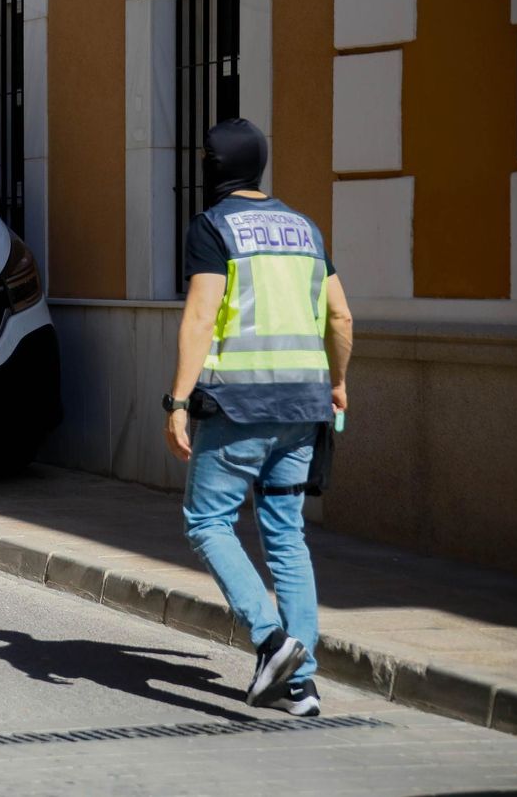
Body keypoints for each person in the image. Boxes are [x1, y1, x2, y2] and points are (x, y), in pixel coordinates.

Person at [163, 118, 354, 718]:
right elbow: (341, 317)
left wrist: (176, 402)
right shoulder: (305, 228)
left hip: (238, 406)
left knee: (207, 522)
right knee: (286, 533)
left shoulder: (212, 227)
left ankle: (272, 641)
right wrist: (339, 382)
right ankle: (303, 685)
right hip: (304, 407)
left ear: (214, 169)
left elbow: (200, 315)